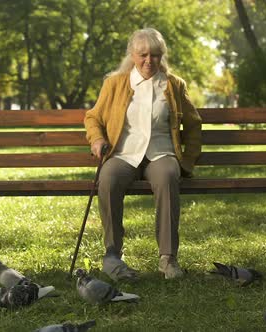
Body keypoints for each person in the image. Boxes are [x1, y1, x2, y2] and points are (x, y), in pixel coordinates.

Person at [84, 28, 202, 280]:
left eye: (156, 55)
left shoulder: (174, 85)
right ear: (132, 55)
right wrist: (97, 139)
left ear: (163, 56)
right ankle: (113, 254)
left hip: (161, 153)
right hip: (124, 154)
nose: (149, 60)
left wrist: (187, 161)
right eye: (143, 55)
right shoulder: (115, 83)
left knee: (168, 176)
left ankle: (168, 258)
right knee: (108, 178)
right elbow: (93, 117)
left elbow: (193, 123)